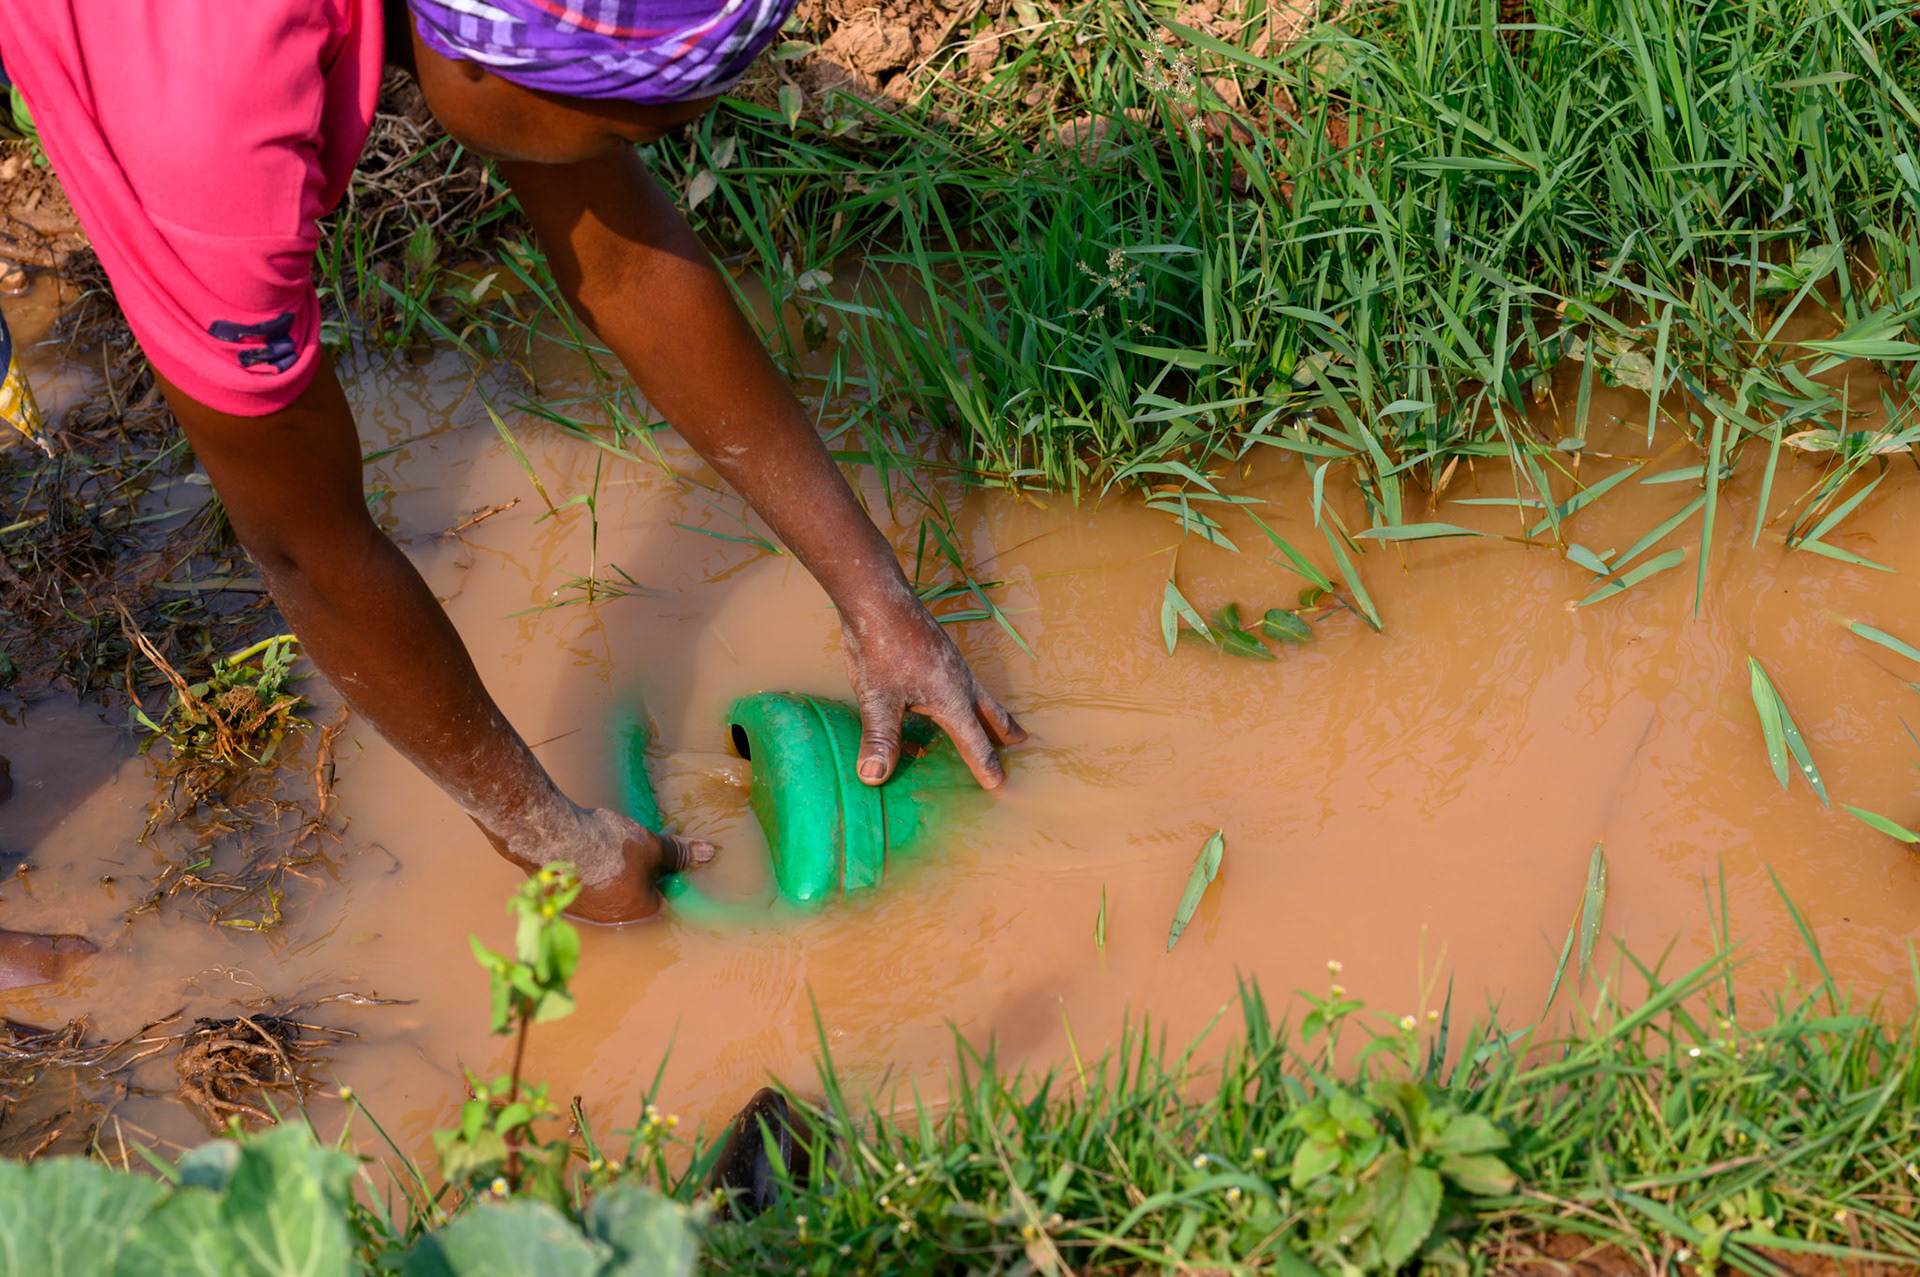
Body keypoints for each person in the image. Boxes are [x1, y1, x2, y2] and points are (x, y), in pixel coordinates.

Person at [0, 0, 1026, 923]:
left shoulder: (496, 42)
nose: (633, 154)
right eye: (624, 132)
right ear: (484, 67)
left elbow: (621, 257)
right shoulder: (215, 149)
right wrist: (552, 841)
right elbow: (305, 549)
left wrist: (875, 593)